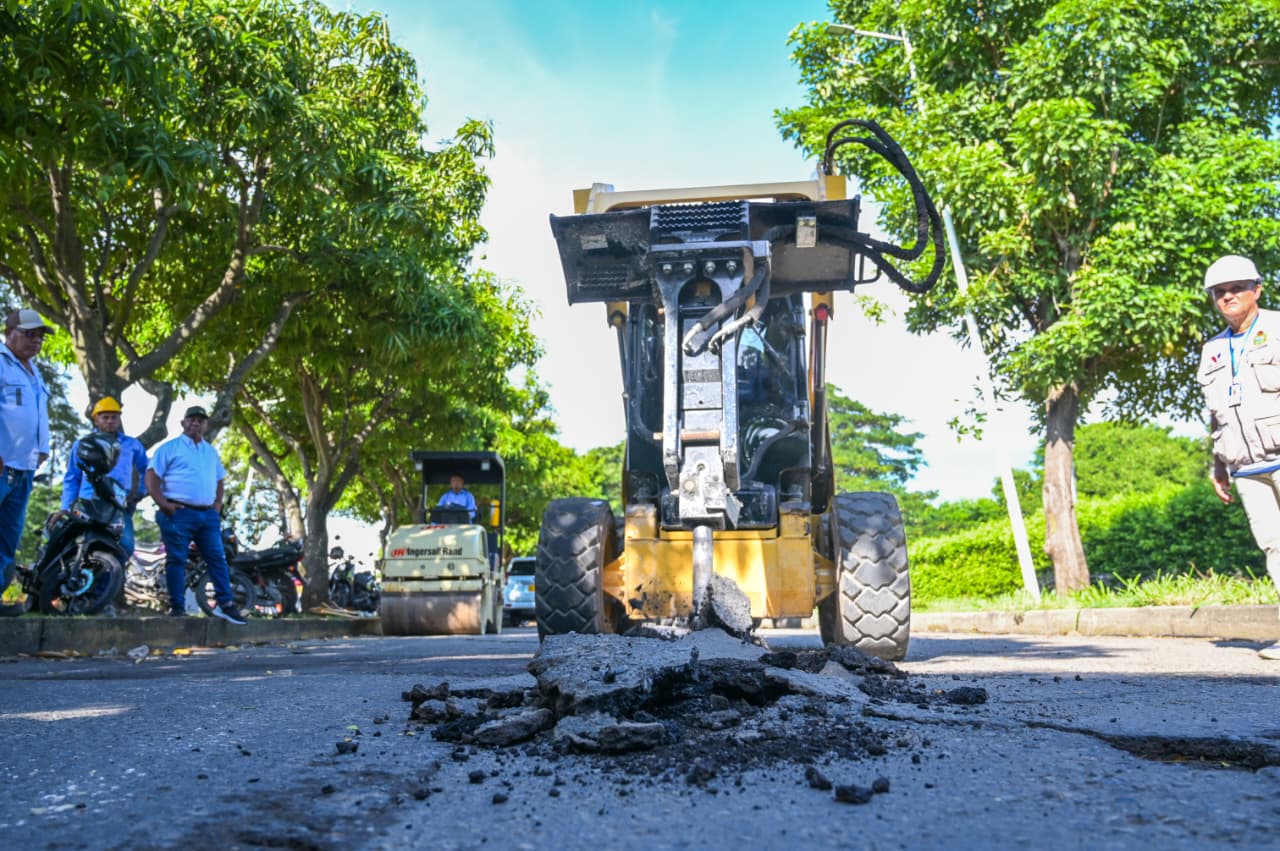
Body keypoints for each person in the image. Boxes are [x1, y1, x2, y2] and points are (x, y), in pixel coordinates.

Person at [1198, 254, 1280, 660]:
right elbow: (1217, 415)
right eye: (1219, 292)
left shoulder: (1279, 328)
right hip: (1246, 466)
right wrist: (1218, 463)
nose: (1227, 296)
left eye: (1236, 288)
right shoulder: (1212, 350)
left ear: (1256, 290)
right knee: (1274, 547)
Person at [144, 405, 245, 624]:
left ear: (206, 425)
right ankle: (177, 607)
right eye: (192, 419)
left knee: (218, 558)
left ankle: (226, 605)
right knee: (177, 559)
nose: (196, 423)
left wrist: (217, 504)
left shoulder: (210, 451)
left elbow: (219, 479)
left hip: (207, 515)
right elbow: (152, 476)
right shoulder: (169, 448)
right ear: (183, 423)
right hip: (178, 512)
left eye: (200, 420)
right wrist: (163, 504)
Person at [0, 308, 51, 599]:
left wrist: (41, 450)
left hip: (23, 470)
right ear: (9, 333)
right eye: (29, 334)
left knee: (7, 542)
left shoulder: (35, 371)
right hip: (1, 467)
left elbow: (36, 415)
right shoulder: (2, 363)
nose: (36, 341)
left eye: (40, 337)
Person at [63, 397, 148, 558]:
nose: (110, 421)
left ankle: (115, 582)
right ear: (96, 420)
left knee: (125, 547)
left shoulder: (132, 445)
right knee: (69, 544)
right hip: (87, 504)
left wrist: (140, 493)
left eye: (114, 417)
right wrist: (66, 507)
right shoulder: (83, 444)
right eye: (105, 417)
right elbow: (72, 478)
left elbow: (147, 470)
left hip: (118, 506)